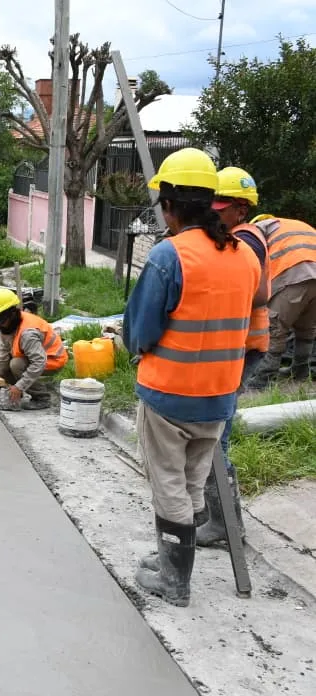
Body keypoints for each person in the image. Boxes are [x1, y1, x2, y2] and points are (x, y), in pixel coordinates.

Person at [123, 148, 260, 607]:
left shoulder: (170, 255)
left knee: (168, 486)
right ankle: (171, 558)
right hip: (219, 394)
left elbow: (141, 332)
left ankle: (174, 580)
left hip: (170, 394)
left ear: (170, 205)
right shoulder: (244, 255)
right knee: (193, 480)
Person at [194, 167, 270, 547]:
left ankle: (225, 523)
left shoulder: (246, 242)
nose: (214, 213)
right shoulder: (233, 238)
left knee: (216, 438)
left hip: (240, 350)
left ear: (241, 209)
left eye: (221, 208)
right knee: (213, 433)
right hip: (232, 349)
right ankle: (217, 515)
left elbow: (259, 294)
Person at [245, 213, 316, 387]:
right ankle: (300, 372)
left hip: (294, 274)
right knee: (306, 327)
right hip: (311, 273)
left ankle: (262, 378)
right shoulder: (296, 224)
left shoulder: (258, 230)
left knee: (275, 326)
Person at [0, 288, 67, 410]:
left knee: (16, 364)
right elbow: (4, 350)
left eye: (1, 321)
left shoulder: (28, 334)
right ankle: (12, 391)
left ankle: (42, 398)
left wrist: (20, 386)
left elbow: (39, 362)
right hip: (32, 356)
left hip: (51, 360)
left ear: (12, 315)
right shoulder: (8, 325)